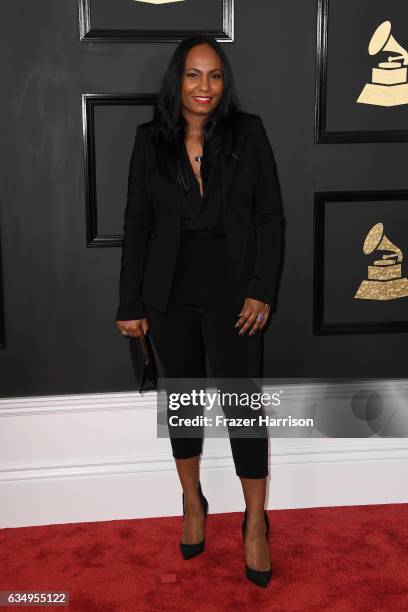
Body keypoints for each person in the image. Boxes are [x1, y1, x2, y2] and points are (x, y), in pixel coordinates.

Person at [115, 35, 285, 588]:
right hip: (169, 293)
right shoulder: (150, 141)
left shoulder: (248, 132)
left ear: (224, 82)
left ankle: (255, 521)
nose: (204, 87)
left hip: (236, 295)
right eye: (193, 75)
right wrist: (130, 302)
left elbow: (271, 218)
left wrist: (262, 289)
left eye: (213, 76)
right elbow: (137, 224)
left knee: (243, 404)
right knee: (183, 401)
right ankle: (192, 501)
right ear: (178, 80)